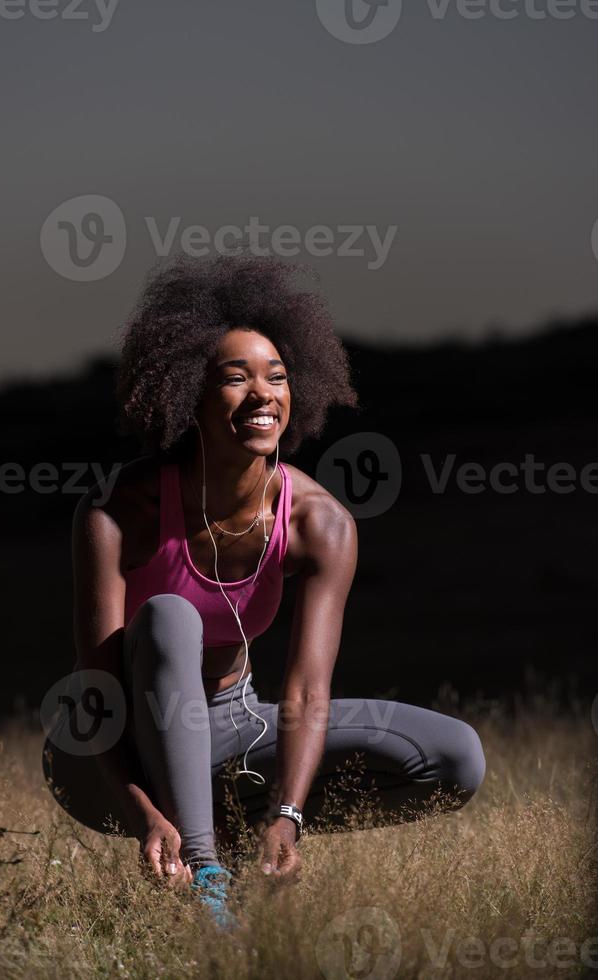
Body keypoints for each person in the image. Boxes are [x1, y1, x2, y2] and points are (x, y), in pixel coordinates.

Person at [41, 252, 486, 927]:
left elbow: (307, 691)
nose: (263, 396)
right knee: (168, 618)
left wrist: (287, 814)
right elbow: (94, 690)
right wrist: (146, 818)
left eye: (276, 377)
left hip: (233, 726)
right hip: (111, 753)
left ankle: (234, 841)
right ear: (187, 392)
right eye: (235, 378)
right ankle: (205, 875)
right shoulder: (118, 509)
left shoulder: (319, 522)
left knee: (458, 757)